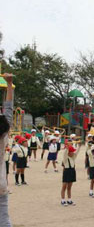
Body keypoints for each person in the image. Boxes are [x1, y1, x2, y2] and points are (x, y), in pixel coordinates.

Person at [0, 73, 13, 226]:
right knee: (4, 216)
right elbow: (8, 110)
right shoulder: (3, 135)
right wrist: (9, 84)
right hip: (1, 182)